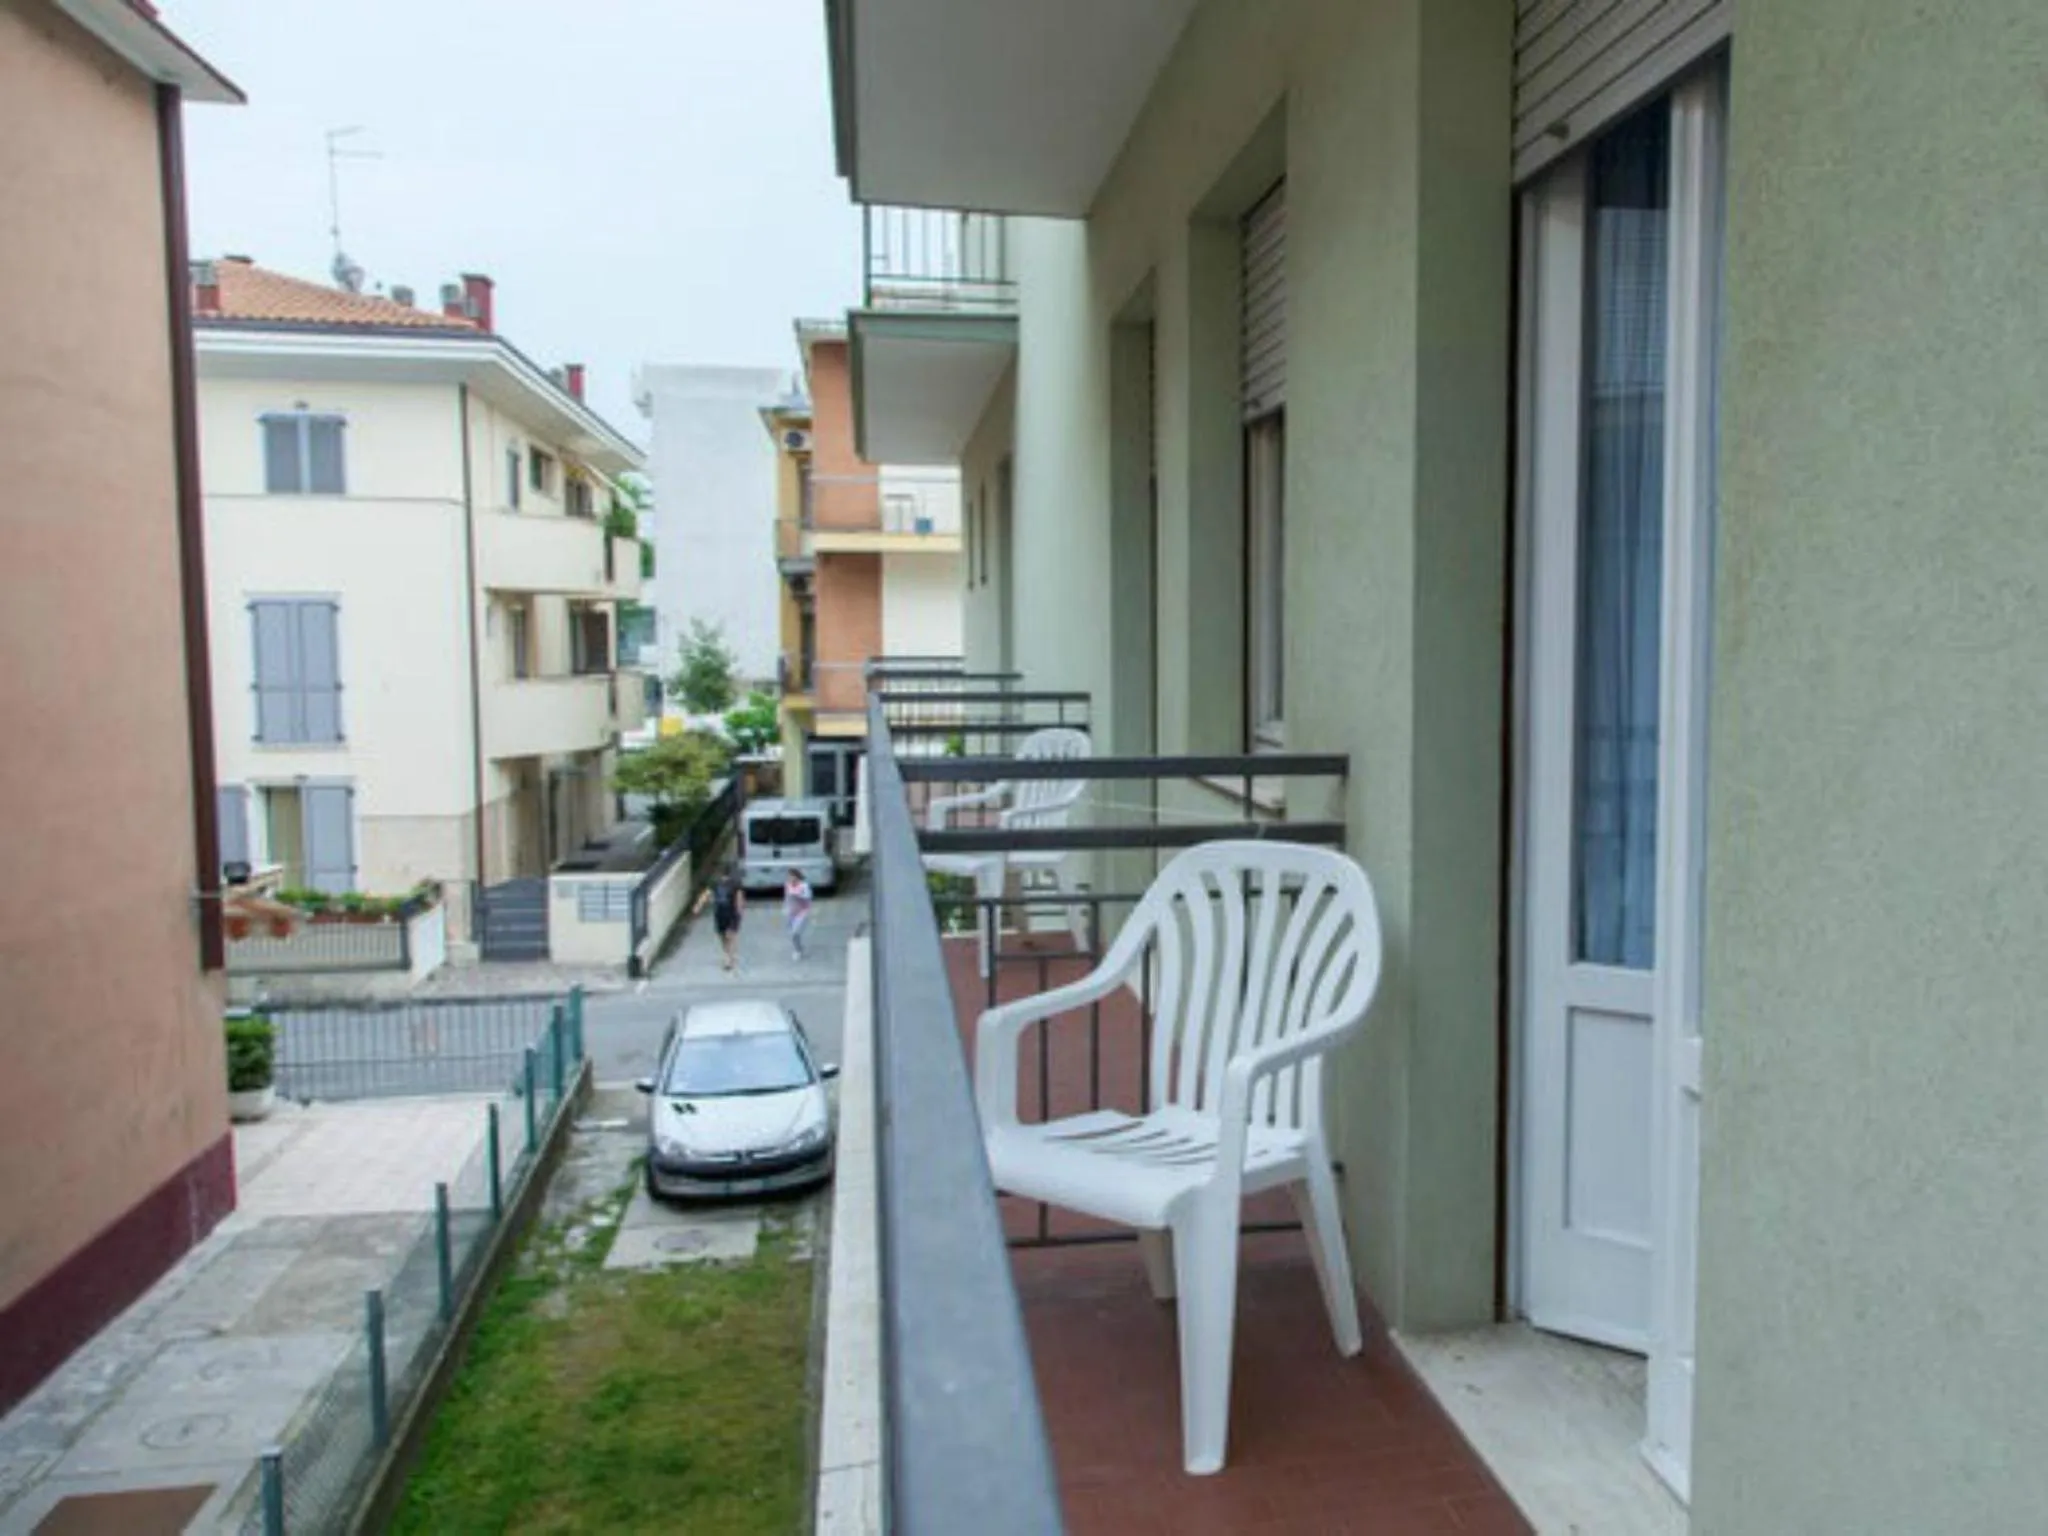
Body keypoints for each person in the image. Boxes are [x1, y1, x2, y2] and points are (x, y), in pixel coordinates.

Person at [694, 863, 745, 973]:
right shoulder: (715, 883)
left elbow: (739, 897)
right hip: (720, 913)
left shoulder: (735, 884)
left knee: (729, 935)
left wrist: (739, 911)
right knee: (722, 936)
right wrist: (698, 905)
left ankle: (729, 960)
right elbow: (706, 894)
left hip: (731, 913)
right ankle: (728, 955)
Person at [783, 867, 814, 961]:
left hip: (802, 912)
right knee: (793, 934)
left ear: (797, 876)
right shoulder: (788, 885)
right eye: (789, 876)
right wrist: (785, 908)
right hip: (792, 912)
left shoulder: (804, 886)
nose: (790, 878)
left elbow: (808, 898)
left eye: (792, 876)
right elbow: (787, 898)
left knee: (795, 932)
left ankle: (798, 951)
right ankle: (798, 948)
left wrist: (798, 895)